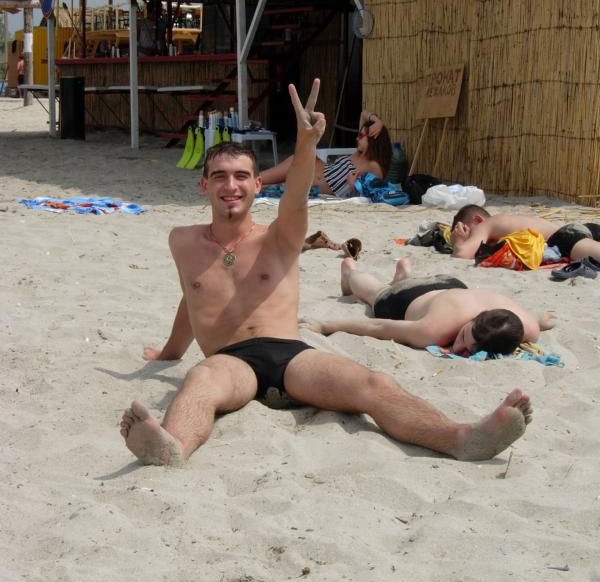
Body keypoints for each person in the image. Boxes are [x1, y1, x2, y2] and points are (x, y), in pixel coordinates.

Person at [120, 80, 533, 467]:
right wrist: (169, 352)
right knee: (199, 381)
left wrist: (306, 143)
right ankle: (173, 447)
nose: (231, 185)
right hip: (229, 363)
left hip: (289, 355)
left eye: (241, 176)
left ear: (258, 185)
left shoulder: (279, 237)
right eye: (220, 177)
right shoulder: (183, 241)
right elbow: (193, 296)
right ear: (204, 186)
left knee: (373, 384)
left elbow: (297, 196)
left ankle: (462, 438)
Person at [301, 257, 555, 355]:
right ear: (472, 321)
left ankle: (404, 275)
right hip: (408, 297)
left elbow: (534, 322)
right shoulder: (433, 330)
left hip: (451, 284)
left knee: (400, 290)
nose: (459, 348)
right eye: (464, 337)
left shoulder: (527, 327)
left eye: (470, 350)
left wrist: (541, 321)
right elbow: (378, 326)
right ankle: (350, 272)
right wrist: (325, 325)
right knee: (377, 293)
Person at [258, 110, 392, 197]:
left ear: (373, 138)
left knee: (261, 185)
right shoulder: (358, 153)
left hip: (310, 183)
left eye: (361, 136)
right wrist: (378, 121)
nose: (357, 138)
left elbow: (372, 193)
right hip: (309, 168)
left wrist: (352, 186)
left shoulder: (373, 166)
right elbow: (363, 113)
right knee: (260, 181)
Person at [451, 204, 600, 263]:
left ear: (477, 220)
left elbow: (462, 255)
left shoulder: (485, 225)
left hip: (566, 238)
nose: (470, 236)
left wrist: (458, 241)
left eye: (467, 230)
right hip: (577, 231)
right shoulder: (502, 223)